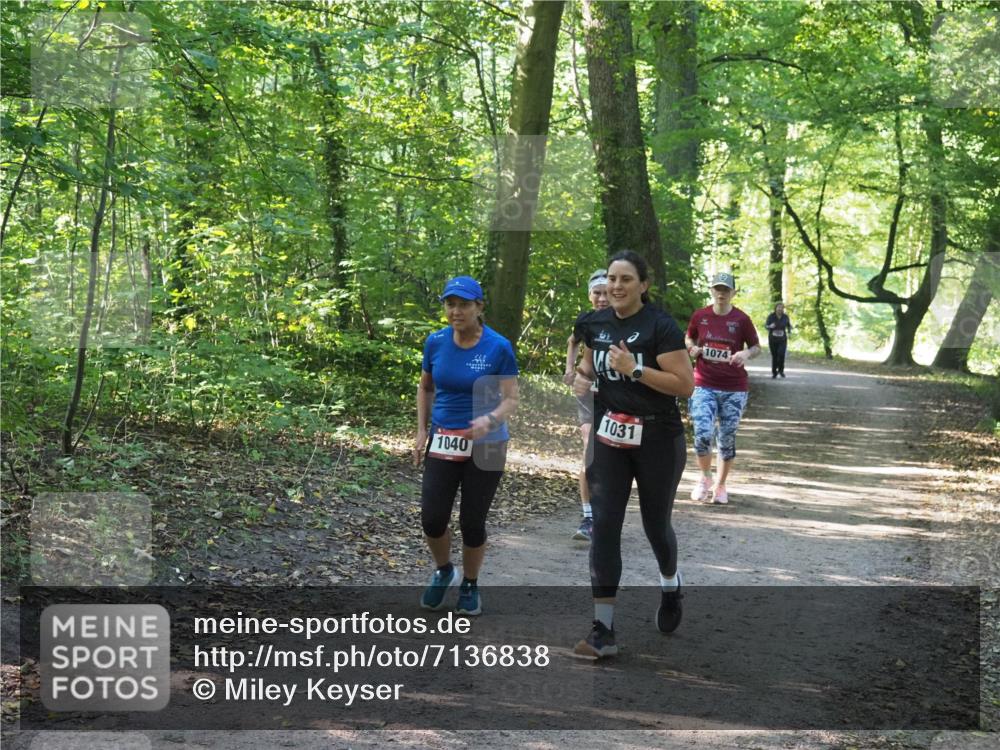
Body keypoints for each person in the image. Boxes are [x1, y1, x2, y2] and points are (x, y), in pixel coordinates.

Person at [570, 251, 694, 658]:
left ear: (643, 285)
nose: (616, 286)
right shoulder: (594, 323)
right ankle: (602, 630)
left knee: (655, 524)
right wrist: (581, 377)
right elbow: (588, 365)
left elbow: (684, 385)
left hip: (658, 438)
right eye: (611, 279)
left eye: (625, 279)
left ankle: (670, 584)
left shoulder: (660, 325)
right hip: (610, 437)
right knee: (604, 524)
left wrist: (634, 370)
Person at [412, 275, 519, 616]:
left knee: (472, 521)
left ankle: (470, 583)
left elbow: (511, 398)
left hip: (487, 444)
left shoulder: (498, 346)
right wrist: (420, 431)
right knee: (432, 518)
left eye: (464, 304)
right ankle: (444, 570)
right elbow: (426, 387)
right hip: (444, 439)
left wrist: (490, 420)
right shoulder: (436, 342)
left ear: (479, 307)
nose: (456, 311)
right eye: (450, 304)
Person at [685, 272, 761, 506]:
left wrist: (745, 353)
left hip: (734, 387)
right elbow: (688, 338)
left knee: (726, 439)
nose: (721, 293)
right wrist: (692, 349)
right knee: (703, 434)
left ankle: (721, 485)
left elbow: (756, 347)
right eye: (718, 289)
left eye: (726, 290)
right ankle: (705, 478)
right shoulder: (701, 316)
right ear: (711, 291)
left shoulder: (741, 320)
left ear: (733, 293)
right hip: (704, 384)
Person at [563, 269, 610, 542]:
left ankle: (606, 512)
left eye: (605, 293)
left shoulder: (623, 321)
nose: (602, 298)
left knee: (609, 455)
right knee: (589, 450)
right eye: (597, 293)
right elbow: (572, 343)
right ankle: (588, 516)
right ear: (589, 295)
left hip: (615, 396)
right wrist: (570, 369)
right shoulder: (585, 320)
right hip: (587, 392)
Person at [765, 302, 793, 378]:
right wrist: (770, 326)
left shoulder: (785, 317)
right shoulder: (771, 316)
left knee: (781, 354)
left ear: (783, 309)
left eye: (781, 307)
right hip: (773, 339)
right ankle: (774, 372)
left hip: (782, 339)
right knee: (775, 356)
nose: (780, 309)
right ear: (775, 308)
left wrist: (790, 331)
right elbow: (766, 326)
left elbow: (788, 326)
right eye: (778, 307)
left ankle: (781, 371)